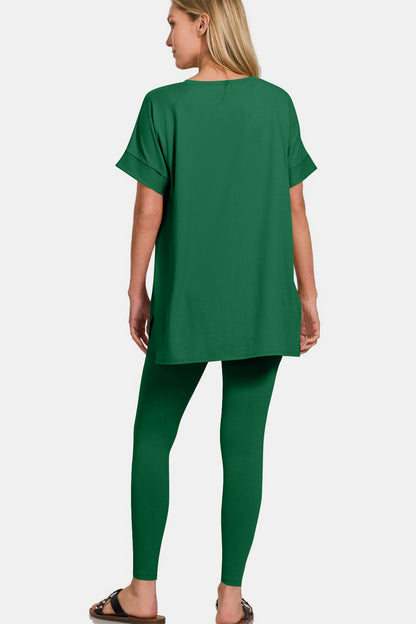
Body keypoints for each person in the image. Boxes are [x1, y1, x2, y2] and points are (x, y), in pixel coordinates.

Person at [90, 1, 320, 623]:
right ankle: (228, 601)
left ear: (204, 21)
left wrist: (136, 290)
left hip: (186, 303)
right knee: (243, 447)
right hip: (262, 304)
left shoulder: (163, 106)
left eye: (173, 22)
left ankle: (142, 594)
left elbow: (148, 210)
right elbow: (296, 210)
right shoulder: (277, 104)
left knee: (151, 436)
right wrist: (307, 295)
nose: (166, 37)